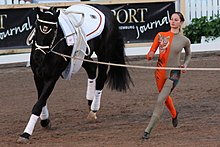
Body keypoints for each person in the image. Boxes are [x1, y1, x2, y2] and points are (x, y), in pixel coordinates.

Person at [142, 12, 191, 139]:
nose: (173, 21)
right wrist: (150, 55)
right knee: (164, 96)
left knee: (160, 99)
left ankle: (147, 131)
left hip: (173, 73)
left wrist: (185, 64)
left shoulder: (185, 40)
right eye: (171, 19)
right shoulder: (161, 36)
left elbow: (188, 55)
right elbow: (151, 51)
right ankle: (174, 114)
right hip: (159, 71)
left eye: (176, 20)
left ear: (180, 22)